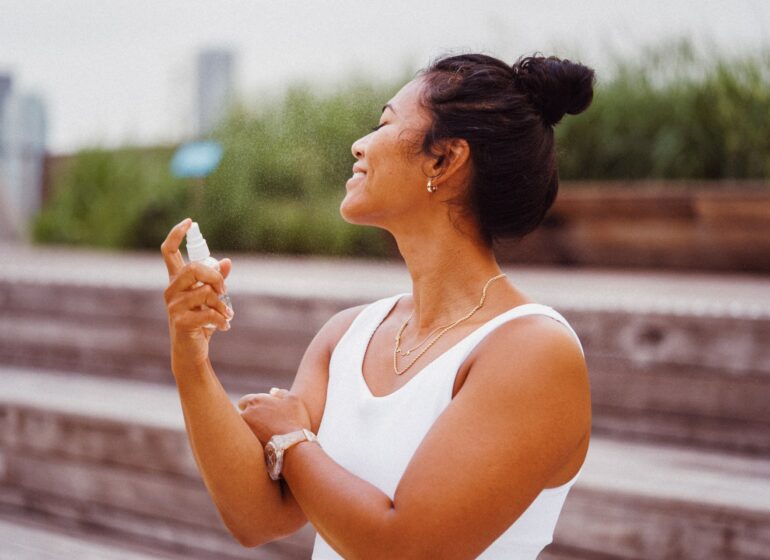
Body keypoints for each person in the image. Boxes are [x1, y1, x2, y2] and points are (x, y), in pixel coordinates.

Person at [161, 52, 594, 560]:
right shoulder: (347, 335)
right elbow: (259, 516)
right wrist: (191, 357)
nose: (359, 144)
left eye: (384, 123)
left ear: (444, 159)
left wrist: (293, 438)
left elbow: (404, 548)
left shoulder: (532, 350)